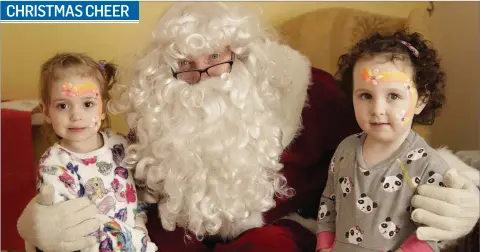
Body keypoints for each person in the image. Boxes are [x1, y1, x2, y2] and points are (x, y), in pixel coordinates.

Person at [17, 2, 480, 252]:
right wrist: (33, 228)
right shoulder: (160, 107)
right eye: (186, 65)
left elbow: (387, 140)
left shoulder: (311, 94)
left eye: (216, 59)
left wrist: (467, 192)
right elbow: (105, 176)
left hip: (287, 230)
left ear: (242, 54)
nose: (202, 78)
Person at [315, 30, 477, 252]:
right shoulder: (345, 149)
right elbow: (329, 202)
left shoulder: (429, 165)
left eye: (393, 96)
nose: (377, 110)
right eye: (366, 96)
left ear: (421, 100)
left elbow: (433, 233)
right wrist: (324, 245)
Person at [30, 53, 157, 252]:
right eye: (63, 106)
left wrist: (140, 225)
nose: (76, 115)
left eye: (88, 104)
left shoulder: (119, 145)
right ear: (46, 112)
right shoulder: (54, 165)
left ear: (103, 108)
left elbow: (136, 194)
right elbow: (68, 231)